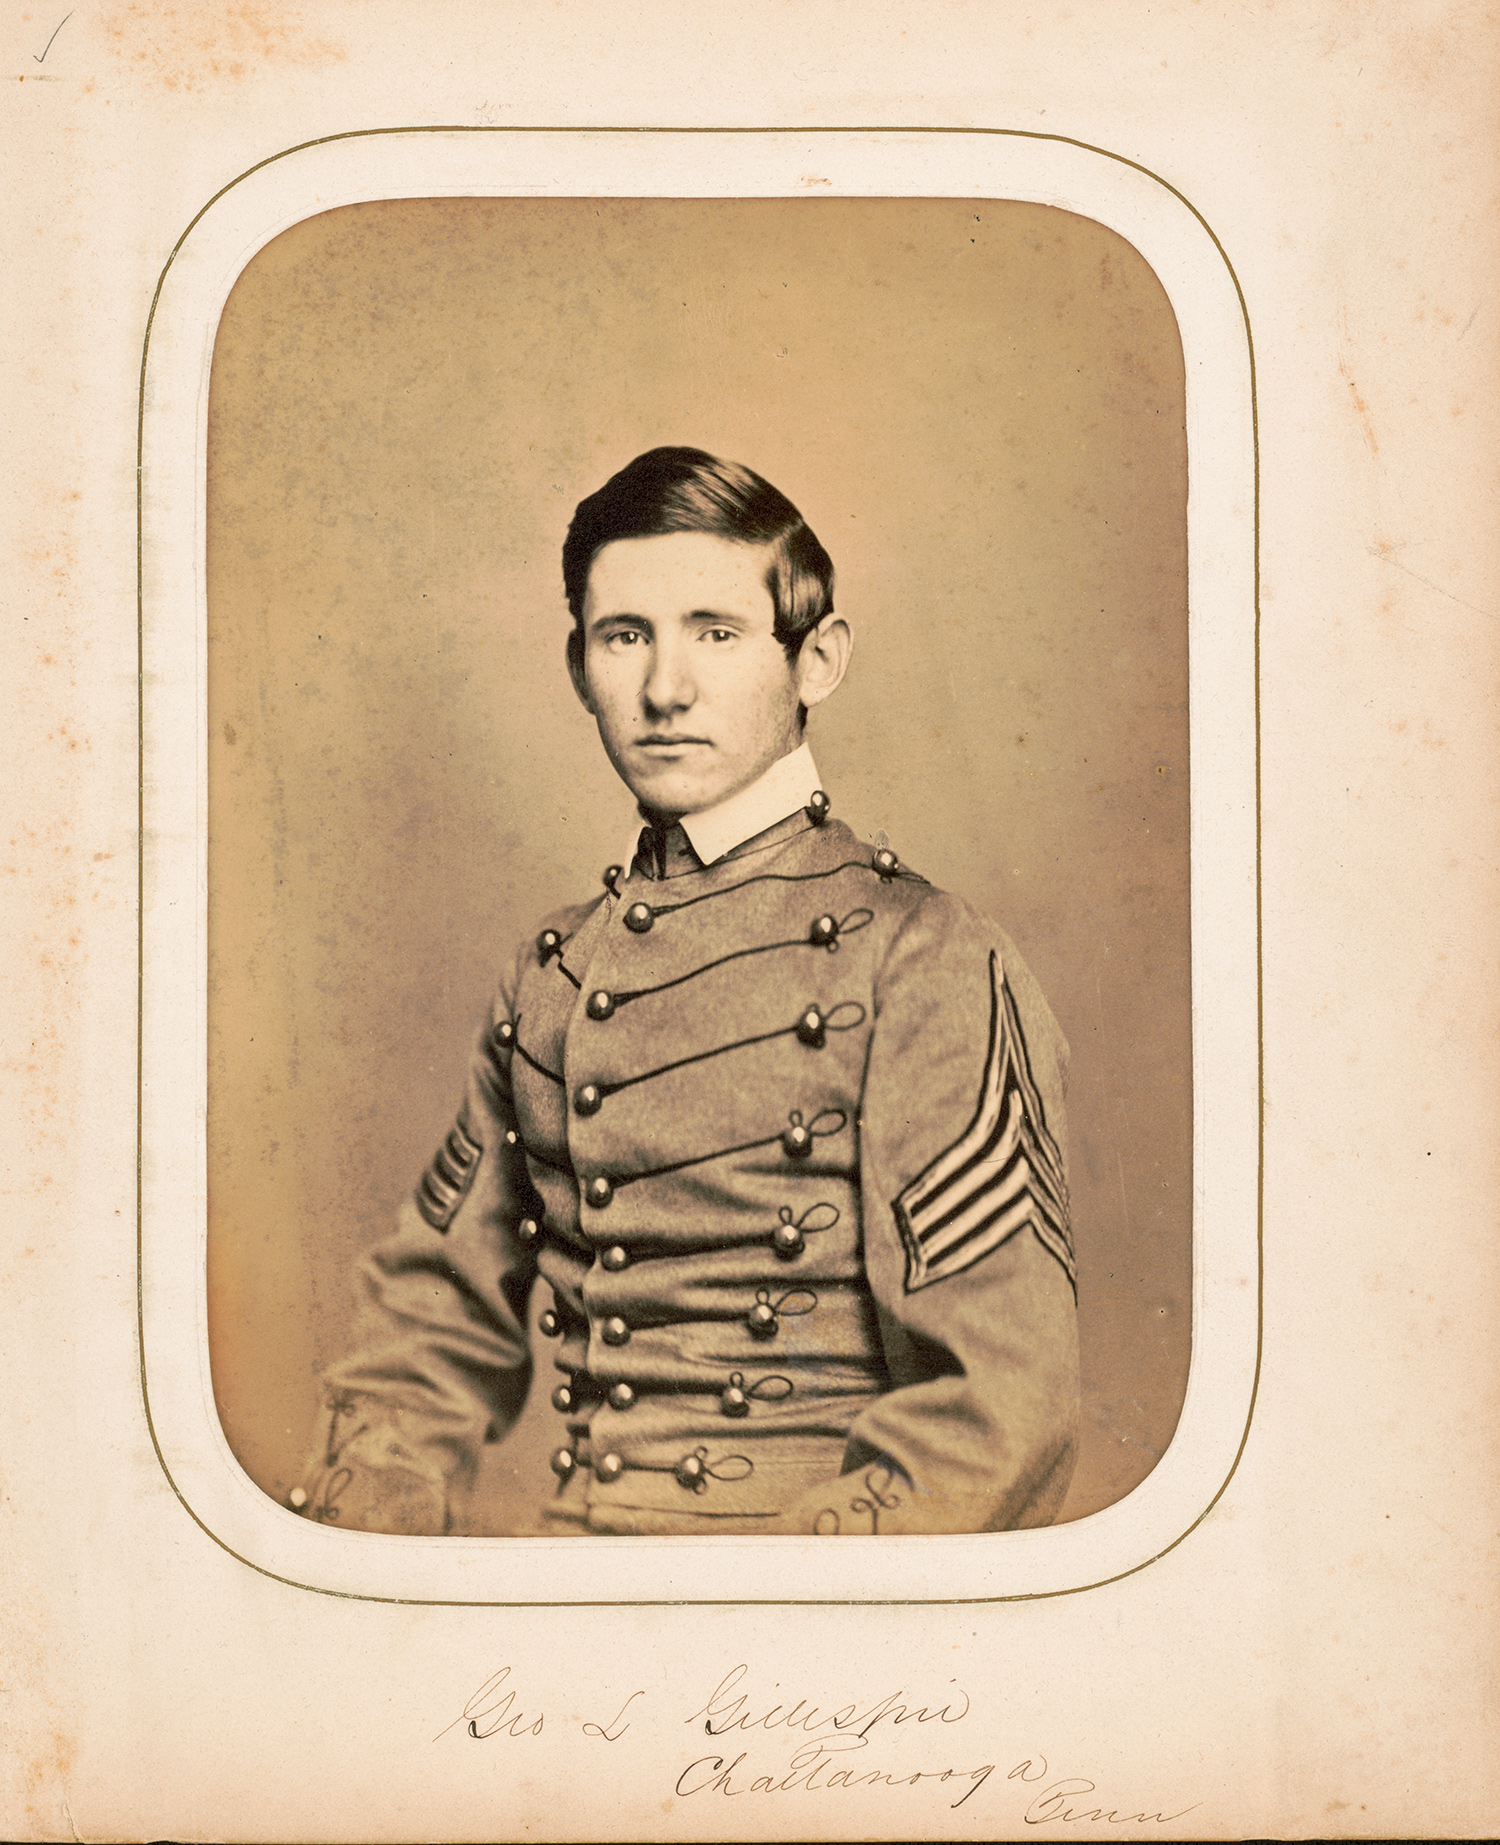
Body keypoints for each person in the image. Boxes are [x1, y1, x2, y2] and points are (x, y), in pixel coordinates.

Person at [291, 446, 1080, 1538]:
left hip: (808, 1628)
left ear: (819, 660)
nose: (666, 690)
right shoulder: (551, 978)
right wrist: (381, 1552)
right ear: (580, 671)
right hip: (565, 1598)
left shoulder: (920, 956)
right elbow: (426, 1333)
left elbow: (1000, 1411)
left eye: (716, 633)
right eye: (627, 638)